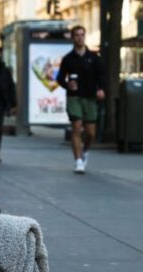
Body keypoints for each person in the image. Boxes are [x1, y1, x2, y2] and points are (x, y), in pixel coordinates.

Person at [55, 25, 105, 174]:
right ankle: (78, 161)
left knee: (91, 133)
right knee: (76, 127)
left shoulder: (94, 58)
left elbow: (101, 76)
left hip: (90, 97)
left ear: (85, 36)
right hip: (74, 98)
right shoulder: (68, 59)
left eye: (82, 35)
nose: (80, 37)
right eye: (77, 35)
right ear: (73, 37)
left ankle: (85, 151)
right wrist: (67, 84)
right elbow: (59, 78)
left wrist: (101, 89)